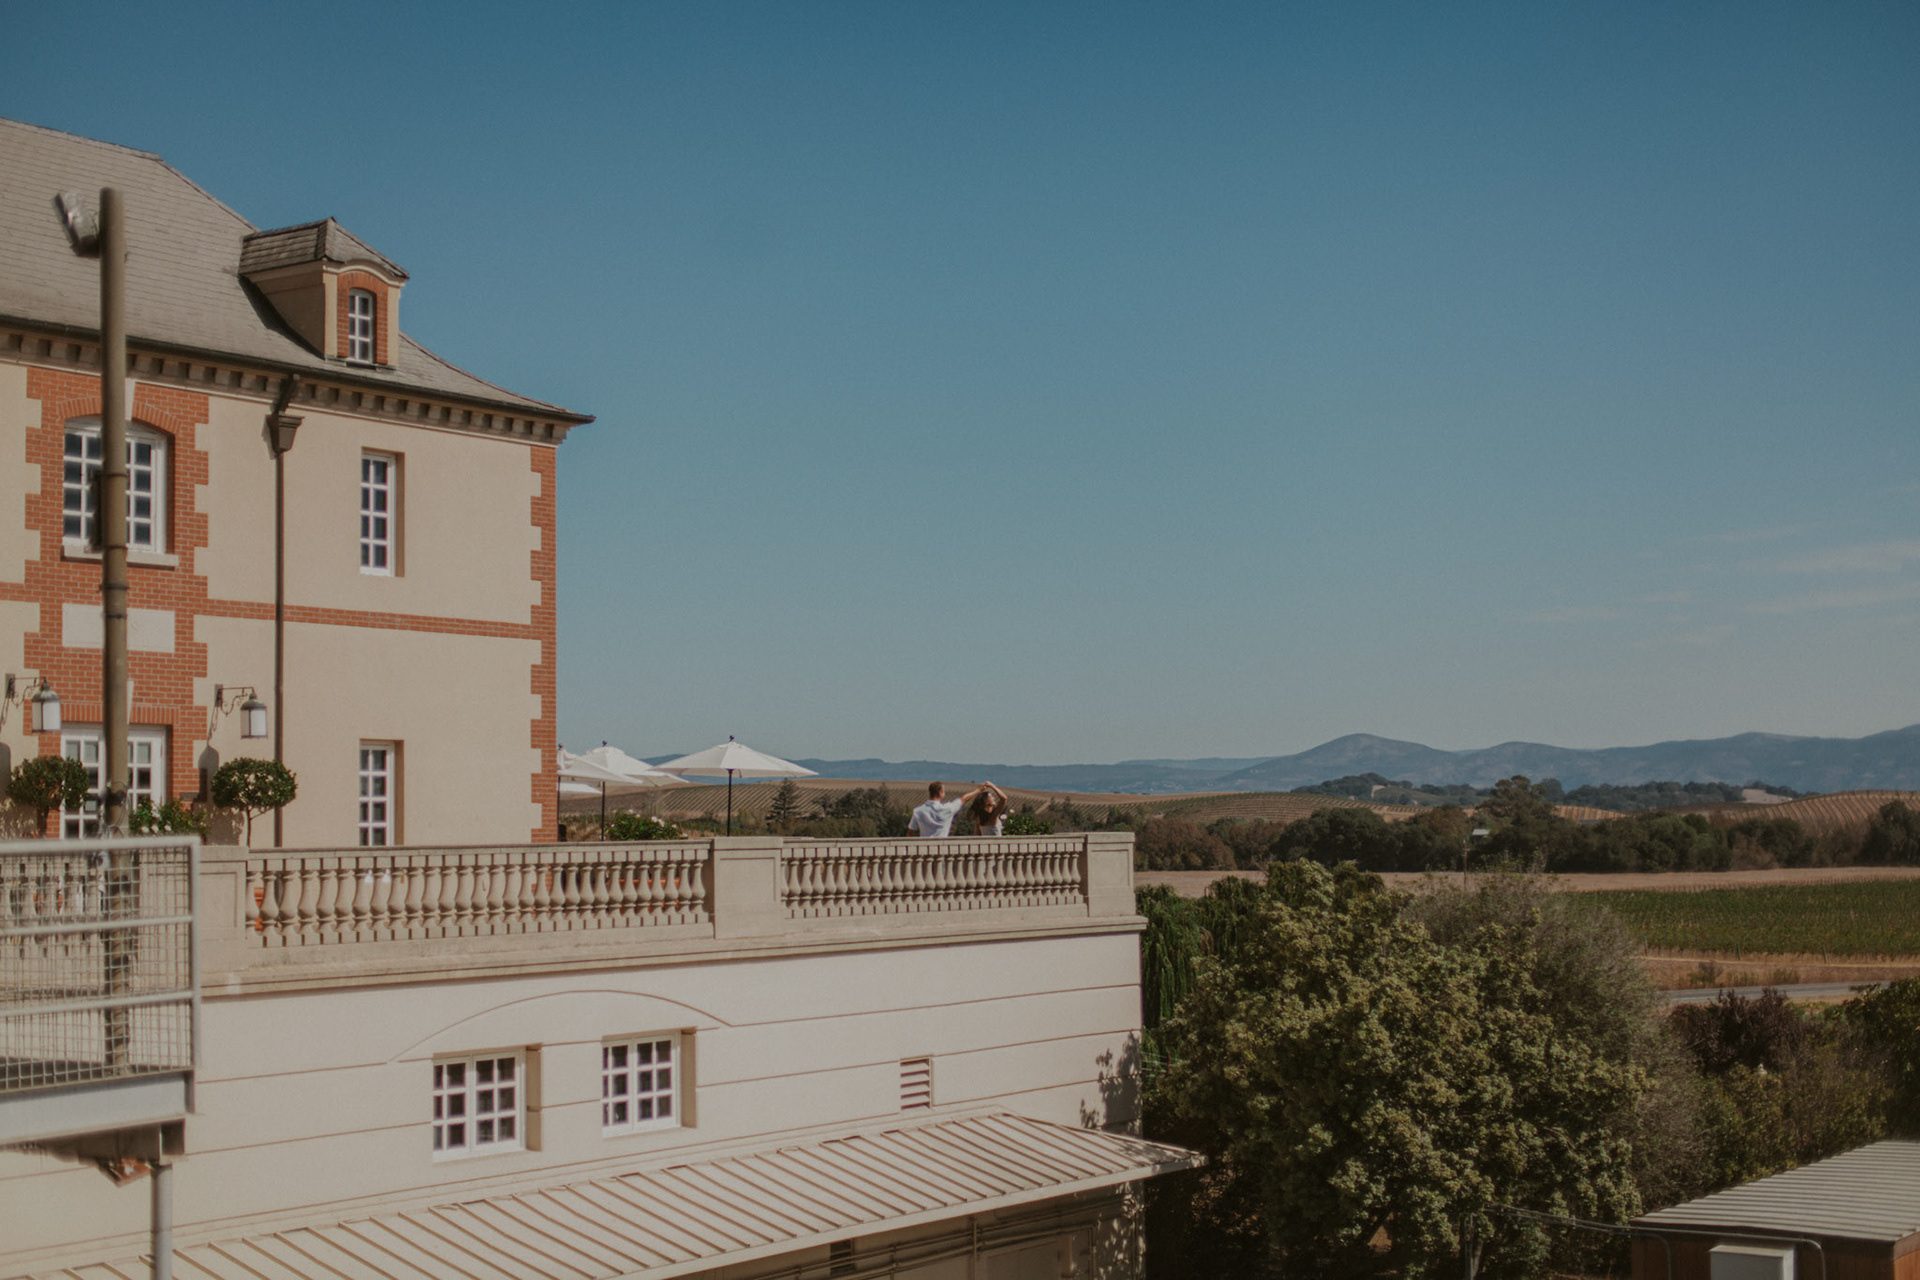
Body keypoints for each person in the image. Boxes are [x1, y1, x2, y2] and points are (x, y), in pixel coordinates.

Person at [909, 780, 987, 837]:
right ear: (940, 792)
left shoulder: (918, 811)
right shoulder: (948, 809)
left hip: (925, 851)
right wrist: (979, 790)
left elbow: (910, 832)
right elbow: (964, 799)